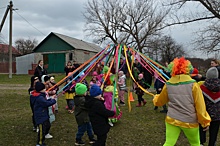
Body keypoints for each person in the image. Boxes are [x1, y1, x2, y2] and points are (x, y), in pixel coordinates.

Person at [153, 57, 211, 146]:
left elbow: (160, 102)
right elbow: (200, 105)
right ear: (188, 69)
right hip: (189, 121)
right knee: (195, 143)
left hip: (172, 119)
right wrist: (204, 121)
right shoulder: (193, 85)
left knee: (169, 143)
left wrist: (156, 98)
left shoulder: (168, 84)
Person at [199, 67, 220, 146]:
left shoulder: (201, 88)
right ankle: (212, 143)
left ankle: (201, 142)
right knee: (214, 132)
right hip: (217, 114)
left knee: (202, 129)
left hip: (205, 114)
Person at [32, 82, 56, 146]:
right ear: (41, 90)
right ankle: (39, 143)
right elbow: (45, 104)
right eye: (44, 88)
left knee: (47, 125)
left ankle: (45, 134)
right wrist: (53, 100)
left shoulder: (40, 96)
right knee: (41, 130)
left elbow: (45, 102)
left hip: (44, 115)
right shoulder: (39, 97)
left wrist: (51, 99)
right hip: (40, 117)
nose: (45, 89)